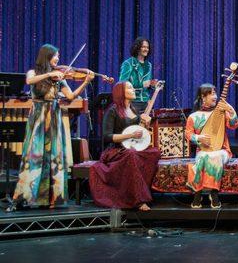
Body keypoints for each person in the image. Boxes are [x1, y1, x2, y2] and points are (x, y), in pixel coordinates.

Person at [8, 44, 94, 211]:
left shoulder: (60, 78)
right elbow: (29, 81)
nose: (58, 59)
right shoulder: (34, 72)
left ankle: (52, 198)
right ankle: (27, 196)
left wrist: (85, 82)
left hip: (54, 119)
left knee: (53, 156)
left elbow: (70, 96)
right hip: (38, 120)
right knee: (36, 155)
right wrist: (49, 74)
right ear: (46, 56)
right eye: (56, 55)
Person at [89, 82, 161, 211]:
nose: (133, 89)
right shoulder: (112, 110)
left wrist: (147, 123)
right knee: (131, 155)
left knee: (154, 152)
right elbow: (107, 136)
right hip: (115, 150)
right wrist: (130, 135)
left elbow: (139, 131)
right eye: (129, 87)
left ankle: (145, 192)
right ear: (121, 92)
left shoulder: (133, 109)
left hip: (130, 148)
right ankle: (138, 200)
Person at [185, 83, 238, 209]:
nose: (215, 96)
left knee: (214, 156)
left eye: (215, 93)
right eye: (211, 93)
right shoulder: (194, 116)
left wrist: (231, 110)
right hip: (203, 151)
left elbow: (233, 125)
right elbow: (188, 134)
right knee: (203, 156)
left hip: (222, 150)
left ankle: (211, 193)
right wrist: (198, 138)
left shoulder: (220, 112)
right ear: (203, 97)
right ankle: (199, 193)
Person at [119, 37, 157, 112]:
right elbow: (122, 84)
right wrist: (143, 84)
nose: (146, 49)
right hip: (133, 102)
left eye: (147, 47)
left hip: (146, 101)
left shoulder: (149, 65)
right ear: (137, 48)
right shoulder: (128, 63)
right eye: (143, 47)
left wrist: (153, 85)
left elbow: (147, 85)